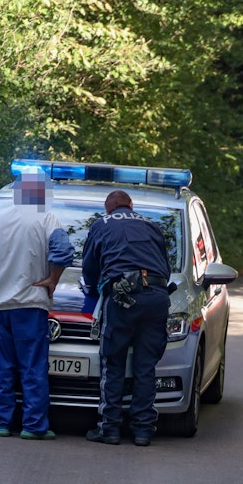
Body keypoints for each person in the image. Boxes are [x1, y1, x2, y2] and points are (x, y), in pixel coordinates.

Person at [0, 166, 73, 439]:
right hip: (31, 304)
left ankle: (0, 422)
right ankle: (33, 426)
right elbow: (63, 252)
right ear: (42, 192)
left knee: (2, 365)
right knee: (32, 366)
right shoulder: (47, 219)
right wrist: (52, 280)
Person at [81, 189, 172, 446]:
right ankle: (143, 430)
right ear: (131, 206)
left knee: (113, 362)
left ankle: (109, 428)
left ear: (107, 208)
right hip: (156, 296)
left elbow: (90, 268)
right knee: (145, 366)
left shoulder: (102, 224)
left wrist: (91, 290)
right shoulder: (151, 225)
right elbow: (164, 265)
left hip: (122, 297)